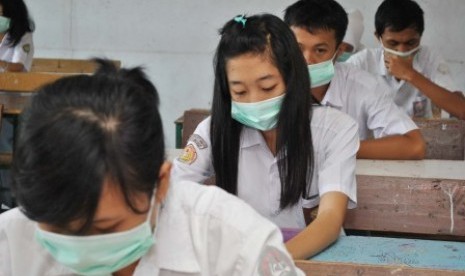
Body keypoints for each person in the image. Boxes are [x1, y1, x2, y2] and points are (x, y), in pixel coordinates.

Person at [0, 60, 305, 276]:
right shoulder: (10, 241)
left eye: (107, 228)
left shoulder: (230, 239)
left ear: (161, 184)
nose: (81, 248)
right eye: (57, 230)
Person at [172, 14, 359, 259]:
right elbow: (171, 193)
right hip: (241, 258)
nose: (254, 101)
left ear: (292, 77)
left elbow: (329, 220)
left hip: (312, 256)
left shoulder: (335, 130)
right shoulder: (214, 131)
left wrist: (271, 265)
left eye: (268, 87)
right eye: (239, 91)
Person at [283, 0, 425, 159]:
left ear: (338, 52)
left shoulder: (362, 85)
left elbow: (414, 145)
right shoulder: (268, 83)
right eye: (298, 48)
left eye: (320, 50)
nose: (307, 60)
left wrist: (335, 149)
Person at [348, 0, 465, 120]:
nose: (402, 50)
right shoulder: (361, 63)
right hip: (376, 138)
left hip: (420, 136)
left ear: (420, 37)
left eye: (411, 42)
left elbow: (461, 110)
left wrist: (410, 74)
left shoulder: (429, 58)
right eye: (393, 43)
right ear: (379, 38)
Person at [0, 0, 35, 213]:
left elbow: (18, 68)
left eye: (1, 13)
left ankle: (9, 200)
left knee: (8, 147)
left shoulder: (23, 37)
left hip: (14, 105)